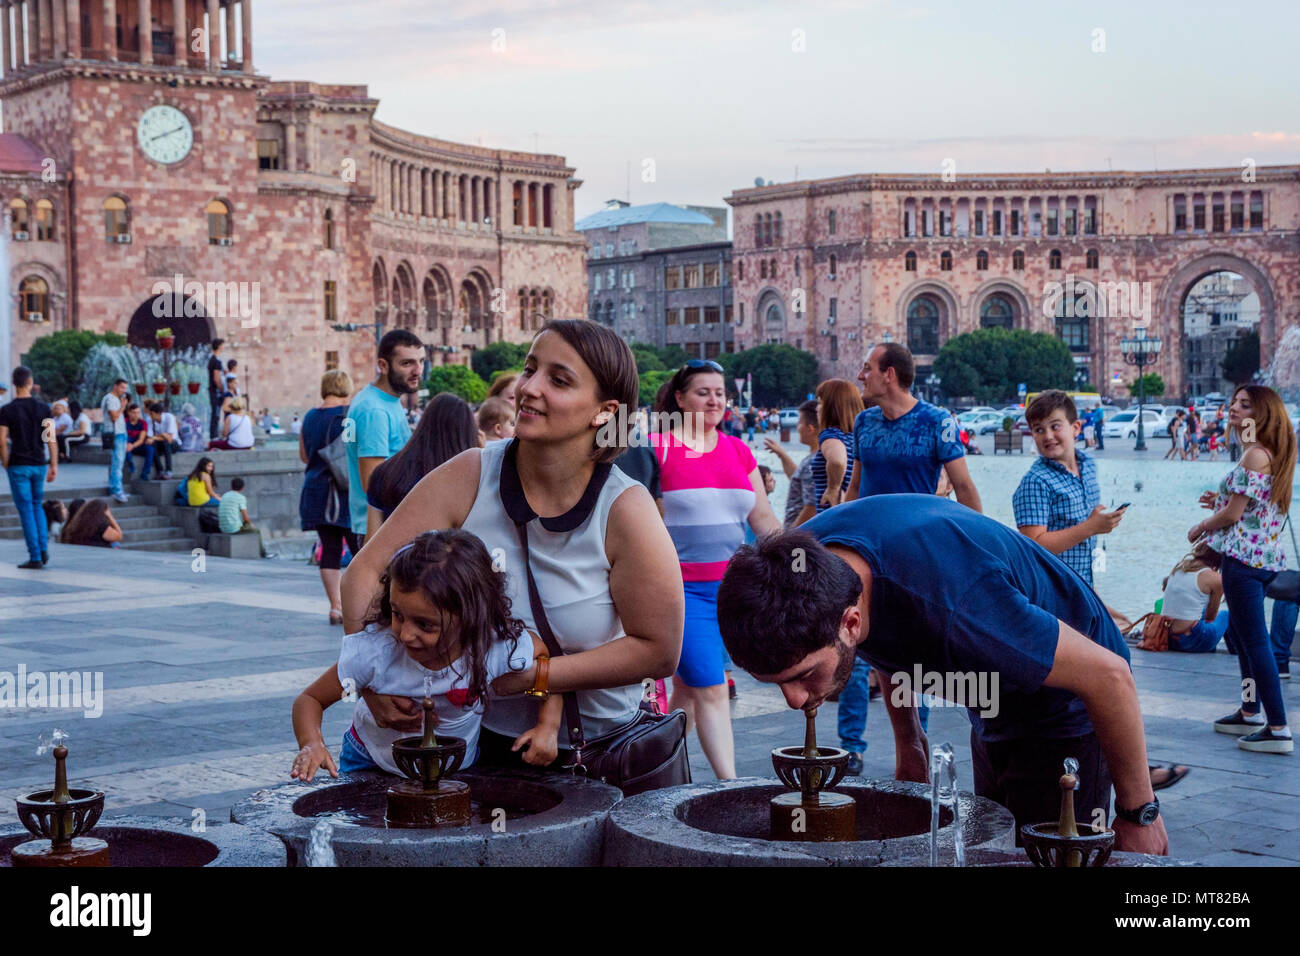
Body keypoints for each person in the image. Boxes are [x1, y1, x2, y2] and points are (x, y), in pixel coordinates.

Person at [715, 497, 1169, 854]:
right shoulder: (806, 565)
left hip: (1069, 694)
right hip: (992, 687)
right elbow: (886, 642)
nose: (794, 700)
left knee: (1044, 850)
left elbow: (1110, 677)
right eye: (775, 683)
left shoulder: (958, 609)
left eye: (803, 675)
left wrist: (1138, 815)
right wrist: (910, 743)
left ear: (849, 622)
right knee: (996, 844)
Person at [340, 320, 682, 775]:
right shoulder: (469, 474)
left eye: (558, 380)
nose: (529, 388)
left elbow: (658, 648)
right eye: (530, 369)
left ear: (605, 411)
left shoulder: (625, 508)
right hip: (476, 748)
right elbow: (364, 574)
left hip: (592, 753)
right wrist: (371, 682)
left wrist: (539, 677)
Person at [292, 530, 572, 780]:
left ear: (471, 618)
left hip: (457, 764)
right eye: (398, 615)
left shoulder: (495, 648)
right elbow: (310, 699)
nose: (405, 635)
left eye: (424, 624)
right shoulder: (377, 651)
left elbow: (544, 661)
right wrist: (312, 742)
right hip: (371, 760)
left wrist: (548, 726)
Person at [650, 358, 782, 780]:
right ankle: (731, 784)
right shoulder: (655, 448)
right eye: (703, 392)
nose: (714, 400)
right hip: (680, 592)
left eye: (720, 393)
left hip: (731, 593)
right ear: (680, 398)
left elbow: (764, 522)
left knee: (688, 692)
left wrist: (805, 561)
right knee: (711, 687)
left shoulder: (738, 450)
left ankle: (650, 763)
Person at [1191, 384, 1295, 753]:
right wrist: (1218, 502)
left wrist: (1203, 525)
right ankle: (1251, 710)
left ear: (1261, 413)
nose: (1233, 407)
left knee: (1255, 644)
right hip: (1259, 560)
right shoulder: (1260, 451)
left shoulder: (1255, 455)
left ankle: (1278, 727)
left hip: (1245, 565)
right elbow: (1251, 511)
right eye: (1234, 401)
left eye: (1244, 404)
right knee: (1245, 641)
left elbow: (1234, 515)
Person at [846, 342, 981, 510]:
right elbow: (855, 487)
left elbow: (963, 487)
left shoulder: (938, 421)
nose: (860, 376)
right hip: (869, 534)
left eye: (867, 368)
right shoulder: (863, 421)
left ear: (889, 374)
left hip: (917, 532)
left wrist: (976, 534)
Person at [1013, 391, 1126, 588]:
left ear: (1075, 428)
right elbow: (1032, 546)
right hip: (1051, 594)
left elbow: (1082, 552)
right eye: (1039, 430)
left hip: (1081, 588)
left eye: (1055, 426)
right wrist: (1091, 527)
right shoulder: (1036, 482)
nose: (1048, 436)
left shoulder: (1088, 465)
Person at [346, 329, 423, 542]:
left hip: (385, 523)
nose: (418, 371)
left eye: (421, 361)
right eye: (407, 363)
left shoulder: (379, 401)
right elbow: (372, 483)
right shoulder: (374, 411)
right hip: (380, 528)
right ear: (383, 365)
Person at [366, 392, 478, 532]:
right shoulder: (470, 481)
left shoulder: (385, 473)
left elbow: (371, 540)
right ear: (467, 433)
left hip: (394, 552)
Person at [300, 370, 358, 626]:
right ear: (345, 387)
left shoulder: (310, 416)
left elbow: (304, 455)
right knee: (360, 550)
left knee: (330, 550)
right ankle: (362, 604)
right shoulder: (348, 415)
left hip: (316, 490)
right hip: (344, 492)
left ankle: (336, 607)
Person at [0, 366, 56, 568]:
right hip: (39, 464)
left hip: (18, 464)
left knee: (25, 510)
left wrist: (6, 462)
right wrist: (54, 464)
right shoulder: (43, 408)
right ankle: (43, 549)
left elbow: (1, 440)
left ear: (14, 384)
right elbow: (50, 439)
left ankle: (35, 556)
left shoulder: (7, 410)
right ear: (31, 383)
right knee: (36, 505)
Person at [800, 379, 861, 525]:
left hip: (831, 518)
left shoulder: (830, 435)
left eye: (820, 402)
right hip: (852, 514)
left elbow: (837, 460)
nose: (817, 409)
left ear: (832, 407)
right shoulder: (856, 436)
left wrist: (833, 488)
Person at [1158, 544, 1228, 653]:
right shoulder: (1216, 579)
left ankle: (1210, 647)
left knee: (1197, 611)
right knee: (1226, 615)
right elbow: (1211, 617)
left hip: (1167, 638)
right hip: (1191, 640)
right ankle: (1236, 652)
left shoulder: (1180, 566)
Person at [765, 399, 820, 530]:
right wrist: (782, 454)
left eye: (799, 422)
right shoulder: (812, 459)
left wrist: (790, 537)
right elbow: (798, 479)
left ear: (810, 429)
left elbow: (811, 507)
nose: (797, 427)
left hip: (800, 543)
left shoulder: (814, 462)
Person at [101, 378, 130, 503]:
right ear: (115, 386)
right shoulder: (110, 399)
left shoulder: (116, 399)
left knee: (119, 462)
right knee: (117, 462)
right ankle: (116, 490)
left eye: (125, 388)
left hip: (120, 433)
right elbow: (114, 416)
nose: (124, 390)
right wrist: (123, 407)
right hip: (115, 433)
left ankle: (118, 489)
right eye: (122, 387)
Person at [145, 401, 180, 479]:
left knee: (166, 442)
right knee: (151, 445)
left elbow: (170, 438)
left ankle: (169, 471)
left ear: (159, 413)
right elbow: (149, 437)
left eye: (152, 414)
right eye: (149, 414)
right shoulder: (149, 420)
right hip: (159, 444)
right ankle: (160, 471)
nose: (150, 416)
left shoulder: (169, 418)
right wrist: (162, 435)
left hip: (174, 444)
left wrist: (155, 437)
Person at [123, 403, 155, 481]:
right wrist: (128, 445)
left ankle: (145, 473)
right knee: (127, 440)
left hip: (136, 445)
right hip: (126, 444)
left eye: (138, 412)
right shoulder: (124, 422)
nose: (136, 415)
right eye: (134, 412)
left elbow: (141, 439)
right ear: (129, 413)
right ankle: (131, 465)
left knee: (150, 449)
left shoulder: (143, 423)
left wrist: (132, 446)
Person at [207, 339, 225, 439]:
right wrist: (222, 389)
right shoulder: (216, 361)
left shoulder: (212, 360)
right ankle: (214, 435)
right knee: (216, 414)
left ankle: (213, 434)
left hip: (212, 390)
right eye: (222, 345)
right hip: (215, 392)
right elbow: (216, 378)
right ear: (219, 346)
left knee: (215, 413)